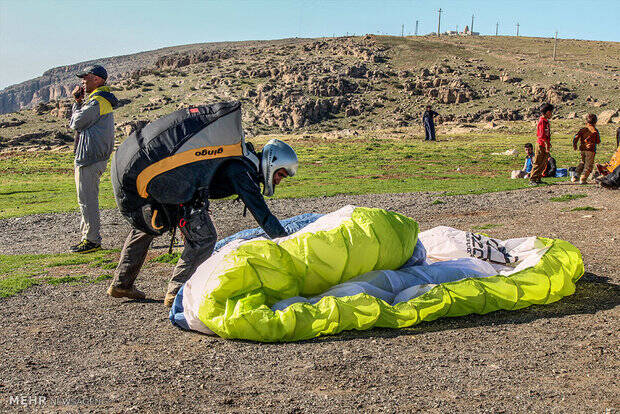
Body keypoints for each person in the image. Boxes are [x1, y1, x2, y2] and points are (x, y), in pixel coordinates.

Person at [108, 139, 298, 307]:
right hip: (182, 195)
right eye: (280, 174)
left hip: (167, 184)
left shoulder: (240, 160)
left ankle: (121, 283)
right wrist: (288, 243)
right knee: (205, 239)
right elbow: (262, 214)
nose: (278, 180)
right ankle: (177, 292)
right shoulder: (242, 170)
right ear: (272, 162)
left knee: (145, 229)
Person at [69, 64, 118, 253]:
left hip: (89, 157)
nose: (82, 80)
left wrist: (76, 104)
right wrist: (80, 101)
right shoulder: (97, 100)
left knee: (87, 200)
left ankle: (91, 240)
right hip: (91, 155)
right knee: (86, 199)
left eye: (86, 77)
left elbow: (76, 123)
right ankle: (88, 237)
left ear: (97, 79)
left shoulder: (97, 101)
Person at [571, 113, 601, 184]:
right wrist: (590, 140)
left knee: (582, 162)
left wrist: (575, 144)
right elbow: (598, 140)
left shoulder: (583, 129)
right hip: (590, 150)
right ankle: (583, 179)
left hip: (582, 149)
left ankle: (575, 176)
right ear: (595, 122)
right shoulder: (594, 130)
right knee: (588, 165)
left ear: (586, 121)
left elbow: (576, 136)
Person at [529, 103, 554, 186]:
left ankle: (538, 178)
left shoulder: (546, 121)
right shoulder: (542, 121)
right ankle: (532, 178)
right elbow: (542, 135)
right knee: (538, 161)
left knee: (543, 162)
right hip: (541, 144)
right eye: (551, 112)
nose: (551, 114)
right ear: (547, 112)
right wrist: (547, 144)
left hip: (545, 144)